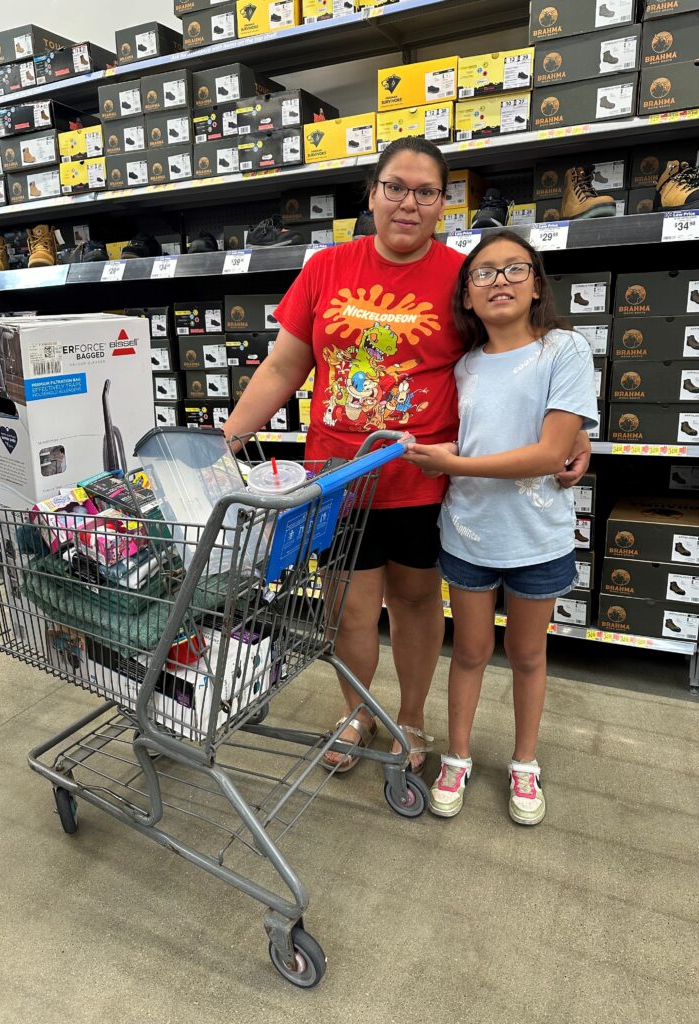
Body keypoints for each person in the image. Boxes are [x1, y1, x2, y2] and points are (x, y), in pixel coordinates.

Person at [223, 139, 590, 775]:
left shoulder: (461, 277)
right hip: (338, 476)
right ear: (371, 194)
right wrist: (226, 436)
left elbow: (512, 358)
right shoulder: (326, 268)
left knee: (417, 602)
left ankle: (411, 718)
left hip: (426, 478)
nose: (409, 203)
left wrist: (572, 432)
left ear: (442, 204)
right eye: (396, 187)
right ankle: (356, 711)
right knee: (349, 607)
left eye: (425, 192)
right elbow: (284, 364)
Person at [403, 230, 598, 825]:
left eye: (515, 268)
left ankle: (524, 762)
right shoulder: (461, 367)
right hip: (468, 531)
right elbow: (491, 435)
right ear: (466, 297)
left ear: (537, 283)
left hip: (537, 537)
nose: (500, 281)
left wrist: (453, 463)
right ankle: (458, 755)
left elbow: (548, 453)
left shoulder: (564, 349)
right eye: (483, 274)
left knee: (528, 654)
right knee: (468, 650)